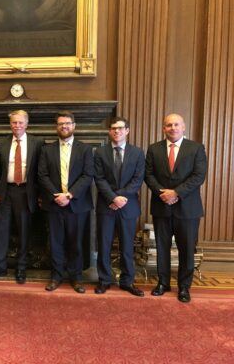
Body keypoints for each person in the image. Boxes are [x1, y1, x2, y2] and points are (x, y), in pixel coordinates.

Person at [145, 113, 207, 303]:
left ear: (183, 127)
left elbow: (199, 176)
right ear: (163, 128)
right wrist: (163, 193)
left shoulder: (196, 148)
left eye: (176, 124)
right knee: (162, 248)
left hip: (187, 208)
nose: (173, 128)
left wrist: (176, 193)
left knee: (186, 249)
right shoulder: (154, 149)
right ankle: (163, 283)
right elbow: (148, 175)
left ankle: (184, 287)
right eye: (168, 125)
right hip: (161, 206)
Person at [0, 110, 44, 284]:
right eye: (14, 123)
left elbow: (41, 171)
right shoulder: (2, 143)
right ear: (10, 124)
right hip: (6, 192)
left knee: (24, 231)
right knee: (1, 230)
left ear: (26, 124)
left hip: (27, 192)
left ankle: (22, 267)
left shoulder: (37, 143)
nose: (17, 126)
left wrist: (40, 195)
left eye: (20, 123)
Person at [38, 111, 93, 293]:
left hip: (77, 204)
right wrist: (57, 195)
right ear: (56, 127)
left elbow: (87, 175)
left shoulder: (85, 149)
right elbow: (42, 175)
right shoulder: (47, 150)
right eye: (61, 123)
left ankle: (76, 278)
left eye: (68, 123)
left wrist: (69, 195)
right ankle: (56, 276)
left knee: (76, 242)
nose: (64, 126)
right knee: (55, 242)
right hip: (54, 204)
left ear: (74, 125)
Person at [94, 117, 145, 296]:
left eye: (121, 128)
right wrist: (113, 198)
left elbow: (138, 179)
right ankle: (104, 280)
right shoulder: (99, 153)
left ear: (127, 131)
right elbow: (99, 179)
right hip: (106, 206)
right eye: (113, 128)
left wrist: (121, 197)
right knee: (104, 245)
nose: (117, 131)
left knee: (127, 246)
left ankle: (127, 281)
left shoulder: (138, 153)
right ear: (109, 131)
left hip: (128, 206)